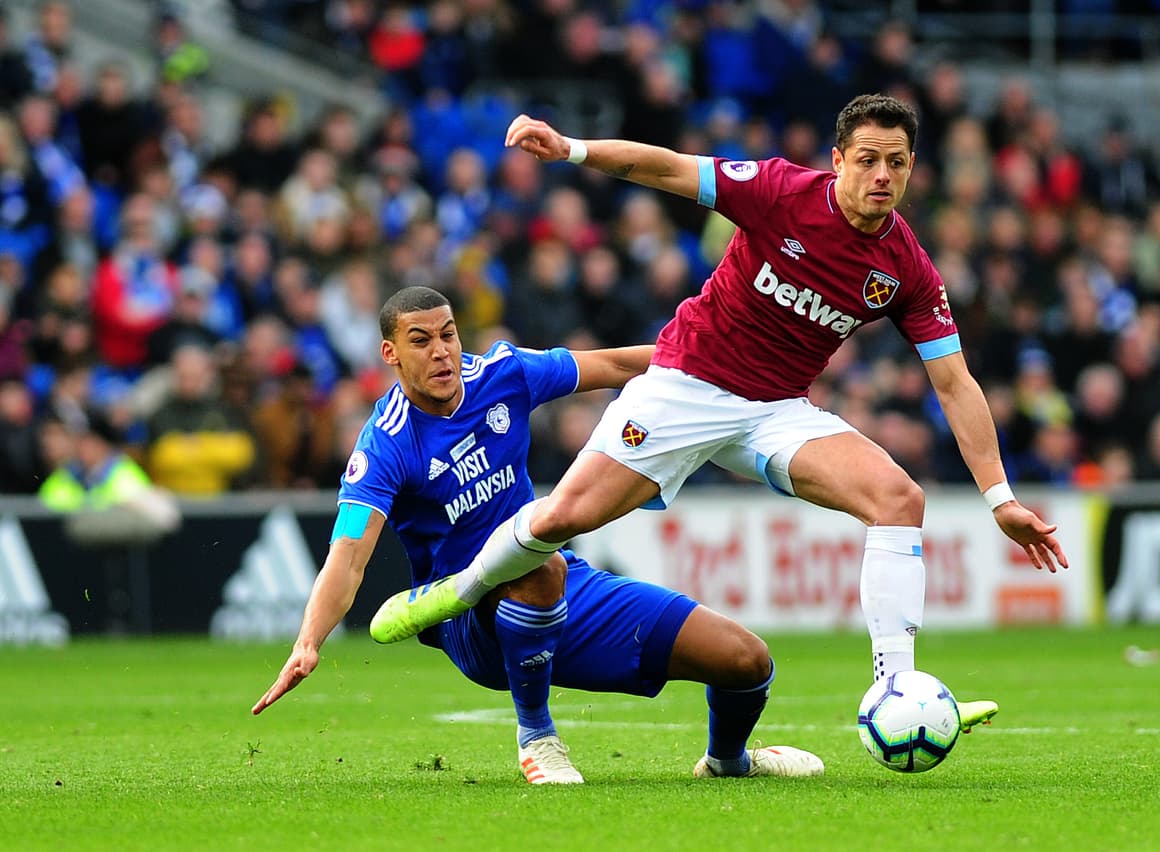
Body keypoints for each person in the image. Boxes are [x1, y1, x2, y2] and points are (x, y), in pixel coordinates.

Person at [372, 94, 1069, 720]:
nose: (881, 175)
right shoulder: (780, 193)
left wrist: (999, 496)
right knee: (563, 517)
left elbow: (954, 383)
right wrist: (573, 150)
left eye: (896, 162)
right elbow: (669, 169)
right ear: (838, 161)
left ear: (913, 168)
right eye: (867, 160)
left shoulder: (906, 269)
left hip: (775, 409)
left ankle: (895, 692)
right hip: (687, 385)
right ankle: (456, 591)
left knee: (897, 497)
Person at [252, 287, 825, 784]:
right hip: (466, 614)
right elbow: (348, 556)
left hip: (557, 581)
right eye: (421, 340)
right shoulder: (385, 444)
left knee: (746, 660)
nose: (442, 352)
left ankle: (729, 762)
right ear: (391, 354)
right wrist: (308, 642)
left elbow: (618, 366)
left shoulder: (503, 374)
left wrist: (718, 365)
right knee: (535, 562)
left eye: (448, 335)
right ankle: (537, 740)